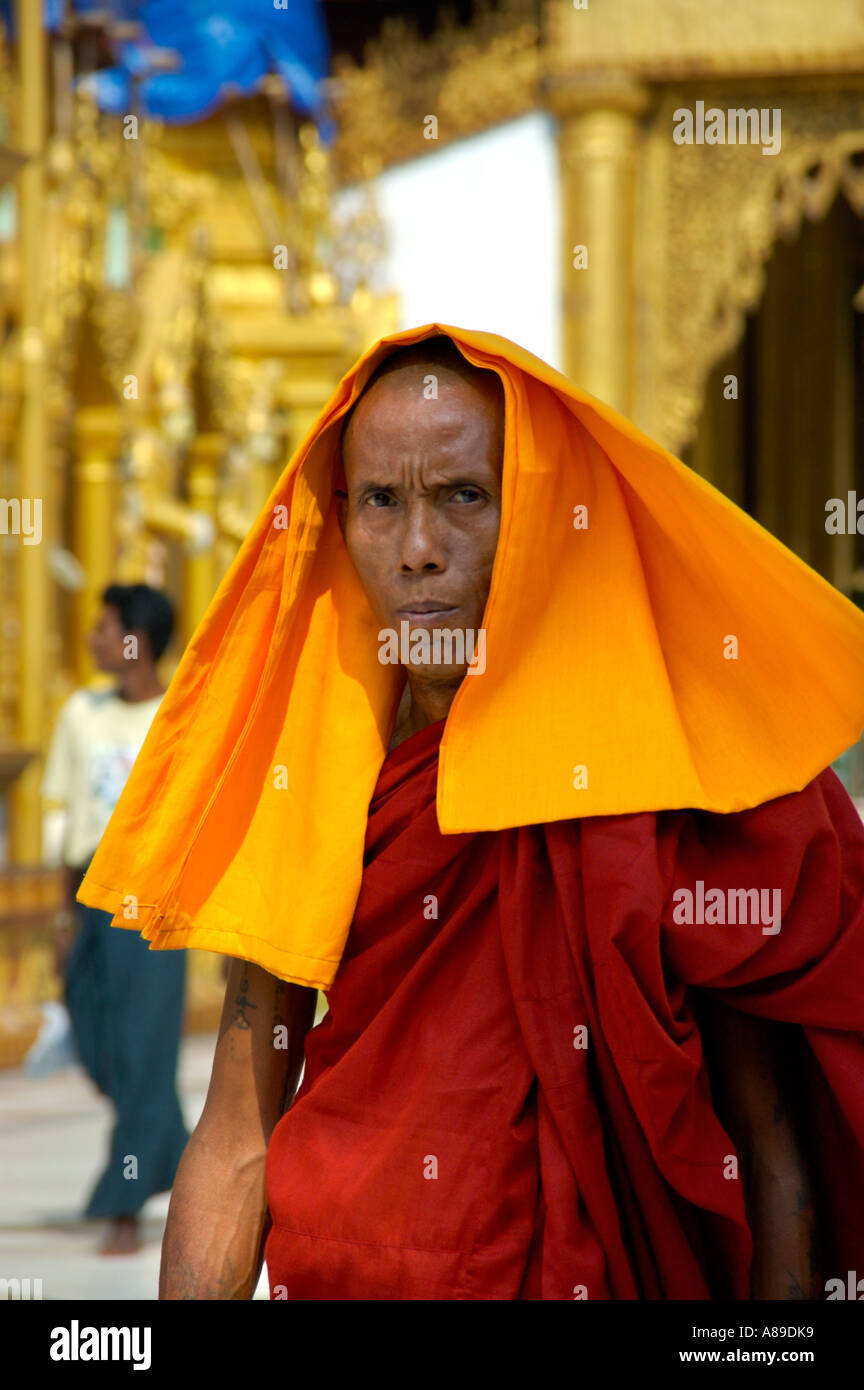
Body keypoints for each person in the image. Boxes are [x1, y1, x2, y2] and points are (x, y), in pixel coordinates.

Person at [76, 326, 864, 1299]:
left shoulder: (663, 769)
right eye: (381, 501)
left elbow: (772, 1151)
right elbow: (237, 1138)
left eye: (464, 498)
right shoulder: (324, 775)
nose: (417, 552)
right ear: (340, 518)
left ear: (537, 513)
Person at [42, 583, 189, 1256]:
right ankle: (178, 1154)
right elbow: (60, 818)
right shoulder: (80, 715)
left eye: (104, 628)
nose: (93, 639)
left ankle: (124, 1202)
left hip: (153, 897)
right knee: (101, 1041)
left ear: (136, 640)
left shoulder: (179, 718)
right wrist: (60, 917)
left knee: (143, 1051)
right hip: (88, 897)